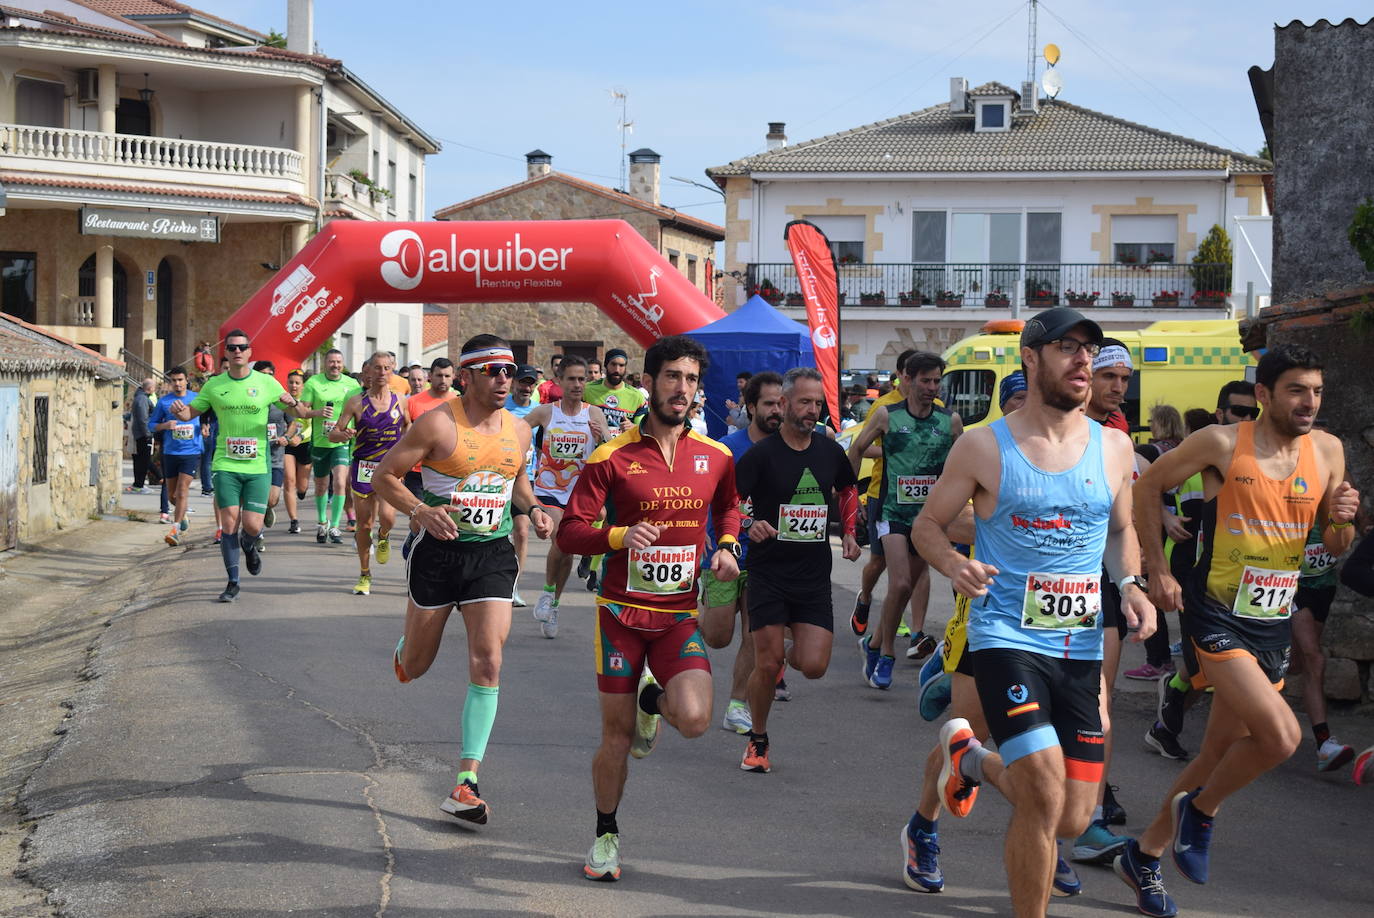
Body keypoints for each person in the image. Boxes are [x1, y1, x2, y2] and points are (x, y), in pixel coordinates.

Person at [913, 307, 1154, 916]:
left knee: (1073, 816)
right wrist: (953, 565)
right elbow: (927, 525)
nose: (1083, 360)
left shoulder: (1116, 447)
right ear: (1030, 356)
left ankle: (968, 757)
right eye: (1067, 347)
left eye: (1089, 350)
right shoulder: (983, 447)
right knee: (1044, 796)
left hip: (1079, 647)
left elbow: (1122, 530)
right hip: (1005, 638)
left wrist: (1130, 583)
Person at [1116, 344, 1358, 918]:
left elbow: (1335, 545)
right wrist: (1158, 568)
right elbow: (1146, 487)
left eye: (1317, 391)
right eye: (1297, 390)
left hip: (1272, 618)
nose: (1309, 402)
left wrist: (1345, 519)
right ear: (1266, 395)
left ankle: (1144, 854)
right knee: (1280, 737)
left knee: (1219, 750)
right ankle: (1200, 813)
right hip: (1216, 613)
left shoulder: (1328, 451)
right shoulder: (1222, 443)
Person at [556, 335, 741, 882]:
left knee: (695, 719)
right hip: (619, 616)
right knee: (615, 738)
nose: (681, 389)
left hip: (678, 615)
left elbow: (729, 507)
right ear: (650, 382)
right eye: (671, 378)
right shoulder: (611, 457)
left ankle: (652, 699)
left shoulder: (717, 456)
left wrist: (728, 547)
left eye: (690, 380)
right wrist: (617, 535)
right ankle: (606, 834)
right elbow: (570, 532)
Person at [373, 334, 553, 826]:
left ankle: (466, 781)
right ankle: (405, 648)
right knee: (415, 666)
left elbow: (515, 479)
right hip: (438, 557)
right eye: (492, 371)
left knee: (488, 660)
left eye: (509, 372)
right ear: (468, 375)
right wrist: (420, 510)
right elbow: (384, 475)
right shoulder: (437, 423)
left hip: (491, 554)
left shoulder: (518, 430)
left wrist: (534, 509)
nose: (502, 380)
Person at [902, 372, 1024, 895]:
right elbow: (938, 523)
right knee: (970, 733)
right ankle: (924, 825)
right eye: (1017, 399)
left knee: (1062, 750)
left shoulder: (1091, 446)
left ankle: (1052, 841)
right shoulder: (984, 446)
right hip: (989, 616)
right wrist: (1003, 530)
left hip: (1062, 626)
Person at [733, 367, 860, 773]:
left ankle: (783, 659)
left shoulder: (829, 452)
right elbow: (729, 500)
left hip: (812, 576)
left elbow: (848, 488)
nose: (812, 410)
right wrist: (748, 524)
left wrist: (851, 533)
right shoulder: (762, 455)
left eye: (818, 404)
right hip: (769, 571)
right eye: (805, 402)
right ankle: (758, 739)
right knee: (766, 663)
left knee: (815, 665)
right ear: (785, 404)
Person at [1147, 385, 1260, 760]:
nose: (1245, 420)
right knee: (1212, 670)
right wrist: (1159, 563)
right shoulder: (1208, 451)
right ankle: (1218, 759)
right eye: (1238, 412)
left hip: (1252, 583)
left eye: (1251, 414)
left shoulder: (1265, 456)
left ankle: (1168, 717)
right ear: (1219, 413)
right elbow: (1145, 485)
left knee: (1209, 673)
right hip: (1199, 575)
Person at [847, 351, 961, 688]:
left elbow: (963, 466)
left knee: (909, 585)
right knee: (898, 583)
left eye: (937, 381)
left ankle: (871, 643)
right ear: (908, 380)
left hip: (928, 518)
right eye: (925, 380)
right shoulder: (886, 415)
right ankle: (886, 655)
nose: (932, 387)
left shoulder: (950, 422)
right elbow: (857, 450)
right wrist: (849, 500)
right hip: (892, 512)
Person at [171, 330, 304, 602]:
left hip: (257, 466)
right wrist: (179, 411)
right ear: (226, 354)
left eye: (242, 347)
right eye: (232, 348)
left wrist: (294, 403)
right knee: (230, 522)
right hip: (225, 463)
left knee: (252, 525)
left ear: (249, 352)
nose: (237, 351)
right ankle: (232, 582)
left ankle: (250, 544)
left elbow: (298, 413)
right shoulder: (214, 385)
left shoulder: (266, 382)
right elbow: (190, 412)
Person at [703, 371, 784, 735]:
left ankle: (737, 704)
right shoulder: (726, 448)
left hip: (767, 558)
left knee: (755, 634)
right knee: (718, 635)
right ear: (750, 407)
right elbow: (708, 498)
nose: (776, 410)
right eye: (769, 403)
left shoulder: (789, 448)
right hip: (726, 551)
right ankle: (676, 631)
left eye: (781, 403)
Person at [526, 355, 611, 636]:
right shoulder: (546, 413)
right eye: (571, 379)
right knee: (562, 539)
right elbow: (514, 432)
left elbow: (612, 453)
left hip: (580, 494)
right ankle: (548, 593)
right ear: (559, 381)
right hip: (548, 490)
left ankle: (554, 603)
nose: (577, 384)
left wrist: (602, 439)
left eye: (582, 379)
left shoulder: (594, 414)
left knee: (569, 549)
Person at [330, 352, 409, 595]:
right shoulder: (355, 401)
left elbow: (408, 425)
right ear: (368, 372)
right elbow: (334, 432)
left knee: (388, 517)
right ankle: (365, 574)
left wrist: (406, 448)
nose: (382, 373)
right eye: (377, 368)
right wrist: (342, 435)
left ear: (392, 370)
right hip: (363, 467)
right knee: (364, 525)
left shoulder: (401, 400)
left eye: (387, 368)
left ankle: (384, 535)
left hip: (389, 469)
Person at [849, 349, 914, 640]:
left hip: (917, 498)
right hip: (882, 492)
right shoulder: (884, 407)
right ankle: (864, 598)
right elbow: (863, 446)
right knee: (880, 561)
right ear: (901, 375)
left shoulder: (936, 408)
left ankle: (914, 628)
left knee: (915, 567)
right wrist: (899, 451)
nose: (926, 386)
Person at [1290, 520, 1355, 771]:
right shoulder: (1298, 485)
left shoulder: (1339, 482)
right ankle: (1324, 745)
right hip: (1294, 584)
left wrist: (1363, 524)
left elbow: (1356, 516)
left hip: (1323, 585)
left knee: (1297, 664)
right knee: (1314, 658)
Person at [296, 349, 362, 544]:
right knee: (321, 485)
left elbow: (360, 411)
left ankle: (334, 526)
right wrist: (317, 412)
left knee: (341, 482)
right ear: (325, 364)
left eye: (339, 362)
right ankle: (322, 522)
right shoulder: (314, 383)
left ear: (343, 364)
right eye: (331, 362)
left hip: (342, 441)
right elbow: (301, 410)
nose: (335, 365)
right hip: (320, 443)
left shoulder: (352, 384)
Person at [149, 367, 203, 546]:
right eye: (174, 380)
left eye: (180, 380)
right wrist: (165, 426)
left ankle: (175, 529)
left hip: (191, 451)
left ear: (187, 380)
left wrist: (205, 427)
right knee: (172, 495)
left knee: (181, 491)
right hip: (170, 452)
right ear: (170, 383)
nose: (177, 383)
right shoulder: (164, 402)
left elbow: (209, 416)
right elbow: (151, 424)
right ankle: (183, 514)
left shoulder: (196, 399)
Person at [504, 363, 540, 605]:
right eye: (522, 382)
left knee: (522, 532)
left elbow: (543, 445)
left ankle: (514, 586)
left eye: (531, 383)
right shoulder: (501, 406)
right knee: (497, 533)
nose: (526, 387)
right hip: (499, 478)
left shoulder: (539, 411)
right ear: (513, 383)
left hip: (524, 479)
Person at [252, 360, 297, 545]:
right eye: (262, 374)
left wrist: (286, 436)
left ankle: (268, 509)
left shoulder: (280, 399)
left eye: (270, 375)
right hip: (254, 457)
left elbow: (293, 422)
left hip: (276, 456)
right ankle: (258, 534)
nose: (266, 378)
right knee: (259, 497)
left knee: (272, 499)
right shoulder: (249, 398)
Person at [584, 348, 647, 433]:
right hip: (595, 445)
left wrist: (634, 428)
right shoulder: (586, 390)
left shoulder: (637, 396)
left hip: (623, 445)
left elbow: (646, 428)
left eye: (621, 365)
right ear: (606, 365)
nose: (617, 370)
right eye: (613, 364)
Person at [282, 369, 311, 534]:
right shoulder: (283, 401)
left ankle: (302, 491)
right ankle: (293, 520)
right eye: (291, 382)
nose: (293, 386)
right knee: (289, 480)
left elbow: (313, 425)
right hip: (288, 444)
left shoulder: (308, 401)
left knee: (301, 486)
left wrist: (300, 436)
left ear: (303, 385)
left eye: (297, 383)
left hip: (305, 444)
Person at [126, 378, 156, 493]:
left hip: (141, 433)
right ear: (149, 388)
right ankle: (139, 485)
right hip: (143, 434)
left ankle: (139, 484)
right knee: (144, 460)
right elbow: (143, 419)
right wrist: (148, 434)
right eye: (154, 387)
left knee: (141, 460)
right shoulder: (142, 399)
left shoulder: (140, 397)